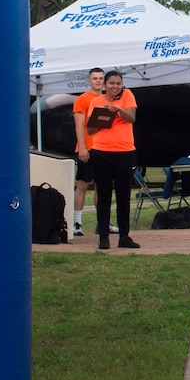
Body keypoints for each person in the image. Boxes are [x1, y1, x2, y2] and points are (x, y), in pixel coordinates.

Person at [87, 70, 139, 250]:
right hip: (101, 152)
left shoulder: (128, 96)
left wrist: (119, 110)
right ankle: (103, 237)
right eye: (111, 83)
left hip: (125, 152)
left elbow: (131, 118)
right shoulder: (96, 101)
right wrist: (102, 116)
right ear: (104, 85)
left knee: (123, 196)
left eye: (118, 83)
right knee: (104, 196)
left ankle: (124, 236)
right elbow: (90, 130)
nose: (115, 86)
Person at [71, 67, 106, 231]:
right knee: (83, 185)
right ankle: (77, 223)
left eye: (100, 78)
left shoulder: (108, 99)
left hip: (104, 148)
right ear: (89, 81)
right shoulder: (82, 99)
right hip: (87, 148)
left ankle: (102, 222)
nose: (98, 81)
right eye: (95, 78)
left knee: (102, 185)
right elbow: (79, 126)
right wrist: (82, 148)